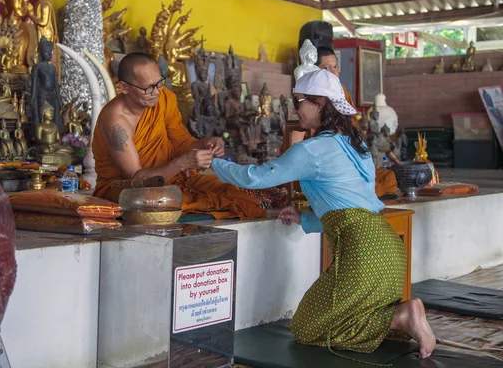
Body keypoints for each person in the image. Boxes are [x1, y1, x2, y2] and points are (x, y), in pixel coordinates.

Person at [211, 70, 436, 360]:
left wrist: (214, 164)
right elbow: (351, 207)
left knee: (306, 328)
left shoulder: (312, 149)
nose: (295, 109)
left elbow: (256, 177)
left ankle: (400, 318)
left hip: (362, 252)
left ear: (319, 103)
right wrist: (304, 218)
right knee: (346, 319)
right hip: (388, 248)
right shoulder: (359, 146)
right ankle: (402, 316)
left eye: (299, 101)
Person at [92, 52, 266, 220]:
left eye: (159, 83)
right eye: (148, 88)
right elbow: (136, 179)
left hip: (172, 180)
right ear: (124, 87)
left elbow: (181, 141)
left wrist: (205, 144)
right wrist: (183, 163)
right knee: (152, 201)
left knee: (234, 190)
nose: (157, 91)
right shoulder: (115, 122)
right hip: (128, 189)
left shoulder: (164, 99)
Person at [316, 46, 396, 197]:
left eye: (335, 67)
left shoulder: (342, 92)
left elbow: (351, 126)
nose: (333, 72)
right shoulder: (313, 98)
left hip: (350, 154)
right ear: (314, 71)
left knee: (388, 178)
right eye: (327, 68)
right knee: (368, 185)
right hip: (328, 160)